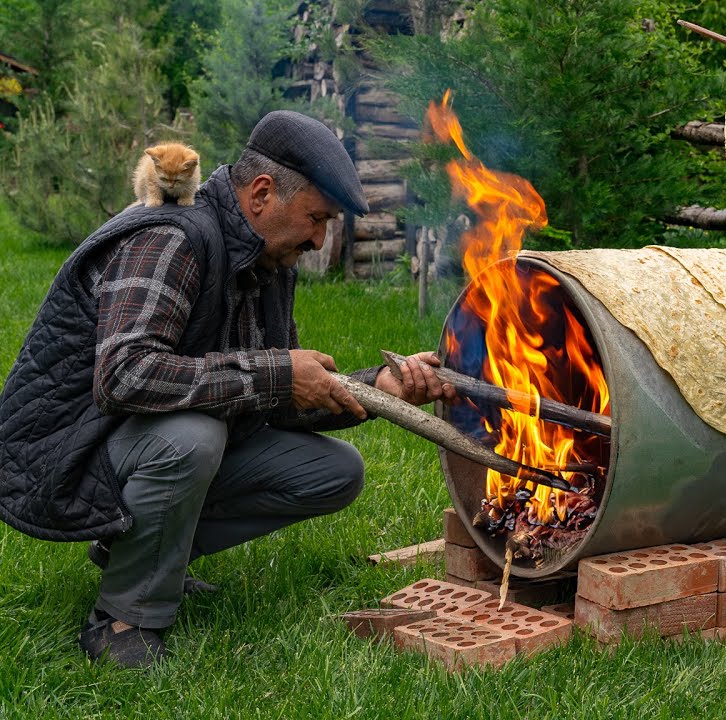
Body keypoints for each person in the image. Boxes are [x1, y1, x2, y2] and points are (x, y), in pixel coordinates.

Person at [0, 111, 457, 668]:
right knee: (192, 436)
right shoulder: (170, 237)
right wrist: (279, 372)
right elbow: (125, 376)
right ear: (262, 193)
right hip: (65, 451)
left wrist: (378, 388)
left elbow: (277, 398)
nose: (319, 240)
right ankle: (124, 617)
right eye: (316, 218)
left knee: (334, 472)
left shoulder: (267, 260)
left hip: (131, 440)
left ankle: (149, 557)